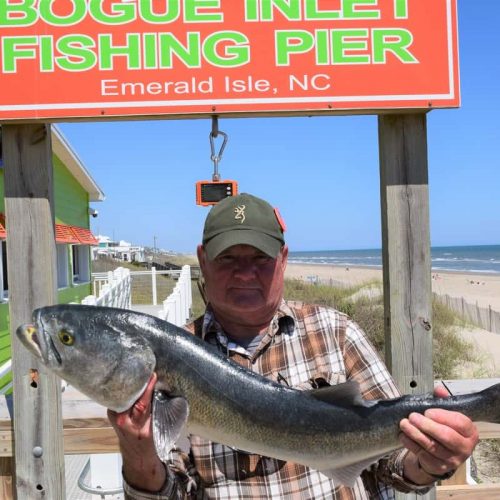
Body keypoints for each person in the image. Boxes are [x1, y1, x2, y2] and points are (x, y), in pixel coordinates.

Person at [109, 193, 478, 499]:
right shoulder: (170, 360)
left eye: (260, 259)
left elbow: (393, 464)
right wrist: (139, 455)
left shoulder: (335, 331)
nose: (244, 272)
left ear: (283, 260)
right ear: (203, 261)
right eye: (227, 258)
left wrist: (430, 460)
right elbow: (172, 491)